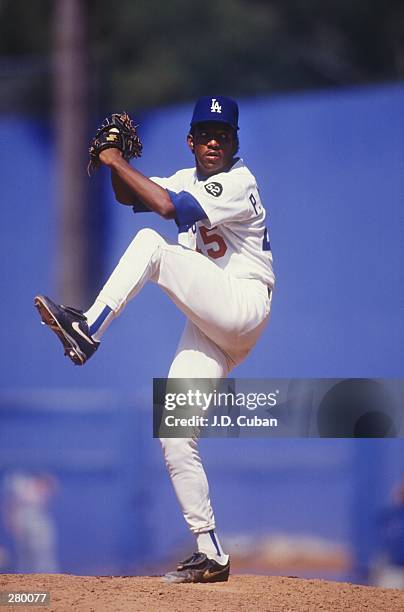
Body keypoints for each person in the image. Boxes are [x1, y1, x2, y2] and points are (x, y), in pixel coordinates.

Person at [34, 95, 275, 583]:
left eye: (222, 134)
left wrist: (115, 158)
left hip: (244, 305)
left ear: (234, 142)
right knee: (174, 431)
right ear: (190, 140)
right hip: (215, 325)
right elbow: (131, 197)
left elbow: (164, 207)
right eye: (205, 133)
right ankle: (211, 551)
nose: (213, 141)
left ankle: (86, 330)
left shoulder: (238, 180)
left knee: (151, 247)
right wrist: (112, 165)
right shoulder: (185, 178)